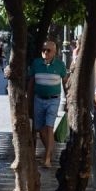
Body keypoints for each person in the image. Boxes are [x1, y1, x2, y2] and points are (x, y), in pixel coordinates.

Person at [28, 40, 69, 168]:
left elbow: (65, 83)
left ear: (54, 52)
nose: (45, 52)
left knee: (49, 127)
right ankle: (49, 151)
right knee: (40, 129)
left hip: (53, 99)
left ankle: (47, 159)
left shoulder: (60, 65)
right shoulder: (36, 63)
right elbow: (31, 83)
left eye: (48, 50)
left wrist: (68, 99)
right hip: (38, 99)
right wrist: (28, 99)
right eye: (43, 50)